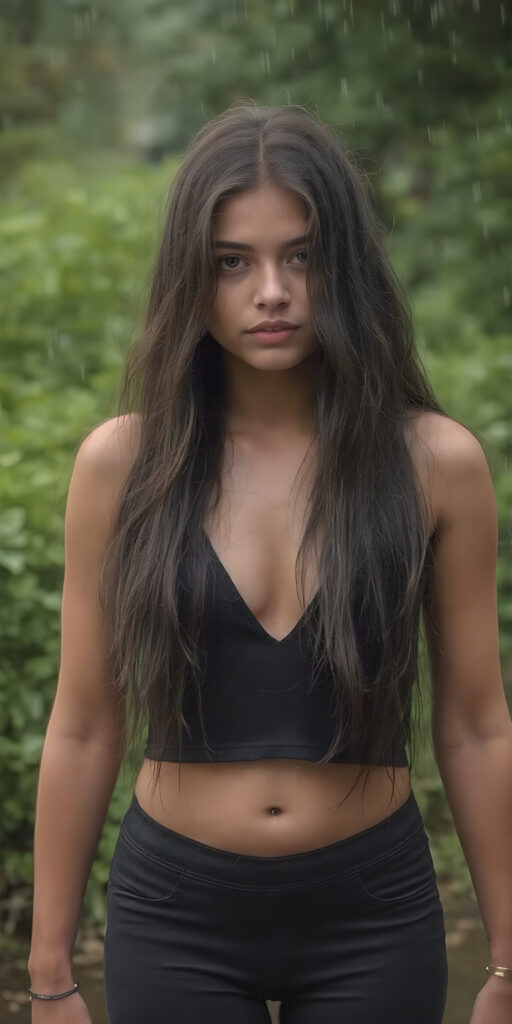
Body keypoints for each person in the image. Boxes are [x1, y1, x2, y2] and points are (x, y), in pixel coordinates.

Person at [27, 103, 512, 1024]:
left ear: (347, 267)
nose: (273, 291)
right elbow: (85, 724)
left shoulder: (434, 463)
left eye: (302, 256)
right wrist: (49, 975)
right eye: (232, 262)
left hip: (373, 913)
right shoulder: (123, 466)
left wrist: (508, 962)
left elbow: (477, 725)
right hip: (176, 916)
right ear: (190, 275)